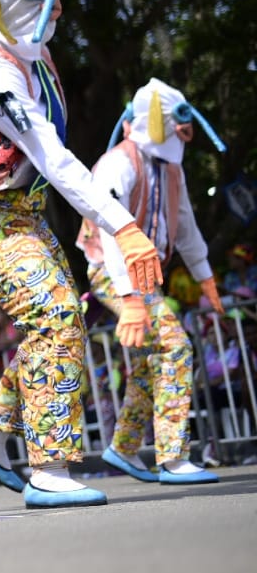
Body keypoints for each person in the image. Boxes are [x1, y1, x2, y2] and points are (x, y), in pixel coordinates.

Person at [0, 0, 162, 509]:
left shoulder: (29, 56)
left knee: (63, 318)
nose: (58, 10)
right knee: (56, 314)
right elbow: (53, 157)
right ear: (8, 2)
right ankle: (48, 468)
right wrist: (123, 226)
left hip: (18, 211)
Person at [78, 78, 226, 484]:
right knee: (176, 348)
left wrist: (206, 280)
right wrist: (131, 298)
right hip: (112, 269)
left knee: (151, 361)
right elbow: (110, 231)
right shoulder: (119, 161)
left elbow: (185, 226)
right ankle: (173, 458)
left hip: (142, 276)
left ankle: (124, 448)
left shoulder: (171, 170)